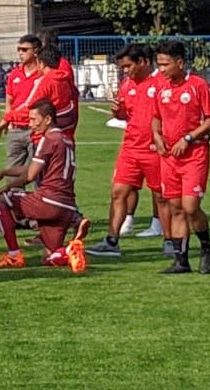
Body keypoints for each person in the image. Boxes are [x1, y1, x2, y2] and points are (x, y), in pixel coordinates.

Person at [87, 43, 170, 258]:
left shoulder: (162, 83)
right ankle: (112, 240)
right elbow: (125, 116)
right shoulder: (127, 84)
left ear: (143, 62)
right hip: (131, 148)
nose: (125, 71)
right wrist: (118, 111)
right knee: (118, 192)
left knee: (161, 196)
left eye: (128, 66)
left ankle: (171, 241)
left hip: (155, 150)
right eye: (123, 67)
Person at [0, 99, 89, 271]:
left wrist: (6, 187)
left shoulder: (47, 139)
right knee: (49, 257)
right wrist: (5, 172)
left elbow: (30, 175)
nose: (31, 124)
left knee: (2, 201)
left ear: (48, 119)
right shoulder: (65, 140)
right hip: (67, 206)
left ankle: (13, 255)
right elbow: (33, 167)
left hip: (48, 200)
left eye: (34, 119)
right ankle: (69, 250)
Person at [151, 40, 210, 274]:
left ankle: (207, 247)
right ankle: (181, 261)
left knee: (191, 207)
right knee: (175, 207)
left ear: (179, 63)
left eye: (165, 64)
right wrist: (157, 136)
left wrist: (188, 138)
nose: (161, 70)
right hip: (169, 156)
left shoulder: (198, 85)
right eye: (159, 64)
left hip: (195, 154)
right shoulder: (161, 87)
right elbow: (156, 116)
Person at [0, 35, 45, 167]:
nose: (20, 53)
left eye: (24, 50)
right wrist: (8, 120)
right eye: (19, 49)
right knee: (13, 173)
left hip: (35, 129)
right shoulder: (14, 74)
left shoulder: (43, 74)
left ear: (35, 51)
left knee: (38, 172)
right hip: (16, 129)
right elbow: (9, 101)